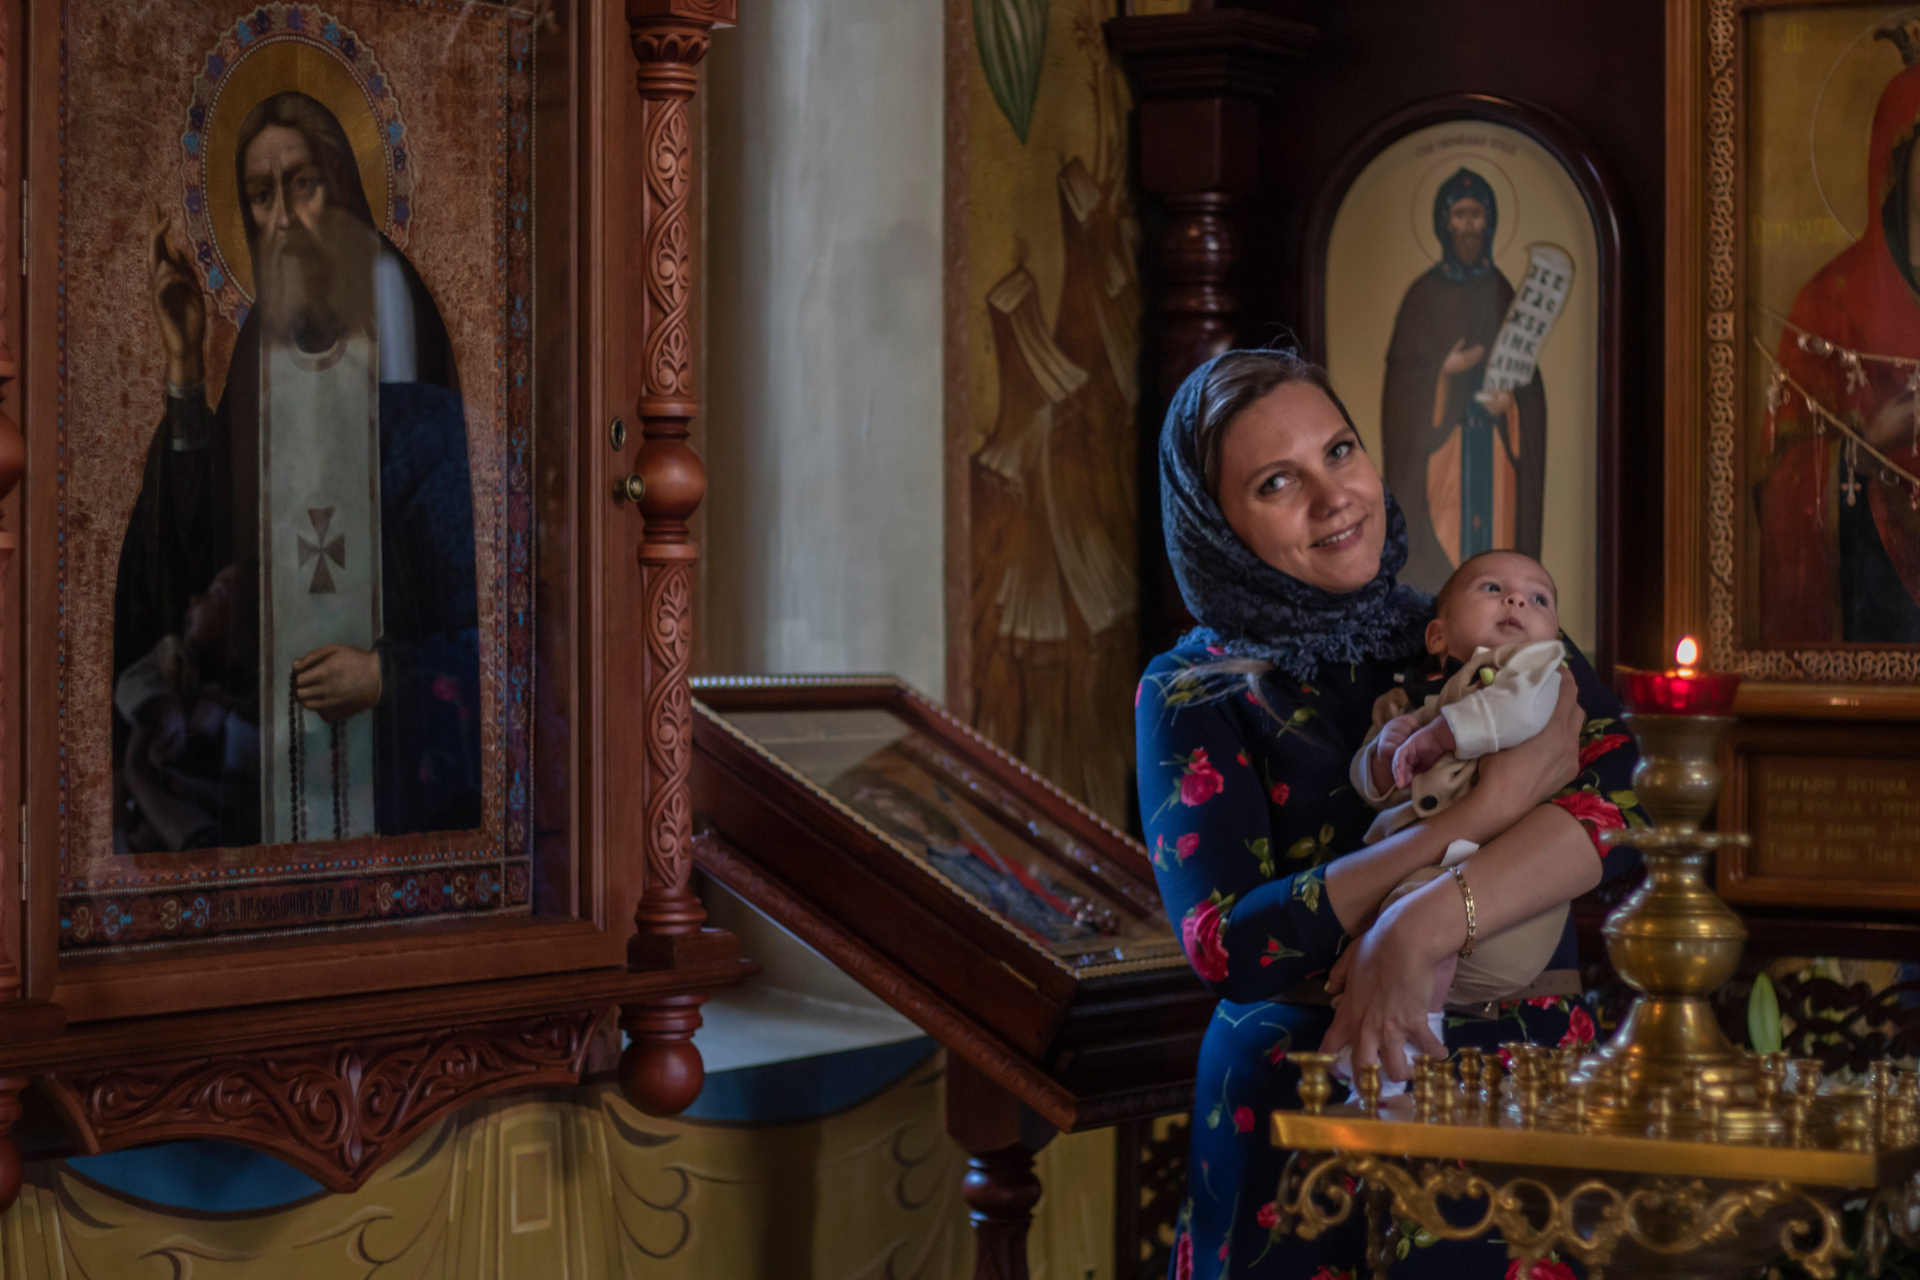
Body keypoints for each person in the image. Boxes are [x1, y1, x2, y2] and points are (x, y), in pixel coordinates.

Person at [1137, 349, 1644, 1278]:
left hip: (1521, 1081)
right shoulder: (1192, 688)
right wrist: (1490, 807)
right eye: (1277, 482)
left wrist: (1422, 926)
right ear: (1215, 524)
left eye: (1340, 451)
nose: (1334, 498)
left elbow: (1629, 801)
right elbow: (1227, 943)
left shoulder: (1480, 623)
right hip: (1303, 1107)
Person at [115, 90, 481, 847]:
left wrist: (384, 674)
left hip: (407, 806)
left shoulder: (420, 406)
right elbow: (182, 569)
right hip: (261, 797)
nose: (281, 218)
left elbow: (506, 638)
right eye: (259, 195)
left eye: (301, 185)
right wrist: (185, 365)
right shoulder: (254, 386)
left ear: (343, 188)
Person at [1341, 550, 1587, 1089]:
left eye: (1538, 599)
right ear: (1436, 636)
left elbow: (1516, 711)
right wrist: (1384, 756)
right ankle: (1370, 1063)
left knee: (1416, 938)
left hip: (1507, 882)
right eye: (1493, 589)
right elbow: (1372, 788)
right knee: (1385, 943)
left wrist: (1443, 733)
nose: (1517, 600)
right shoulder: (1405, 701)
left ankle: (1402, 1065)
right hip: (1423, 867)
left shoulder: (1538, 670)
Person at [1757, 26, 1920, 643]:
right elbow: (1782, 482)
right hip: (1878, 590)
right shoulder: (1829, 302)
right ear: (1897, 163)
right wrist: (1866, 449)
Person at [1381, 169, 1548, 594]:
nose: (1469, 225)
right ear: (1446, 222)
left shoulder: (1501, 291)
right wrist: (1443, 371)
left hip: (1494, 450)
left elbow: (1527, 379)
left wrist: (1510, 404)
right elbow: (1402, 381)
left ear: (1488, 223)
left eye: (1477, 214)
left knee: (1495, 560)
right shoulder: (1423, 295)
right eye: (1460, 214)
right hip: (1444, 455)